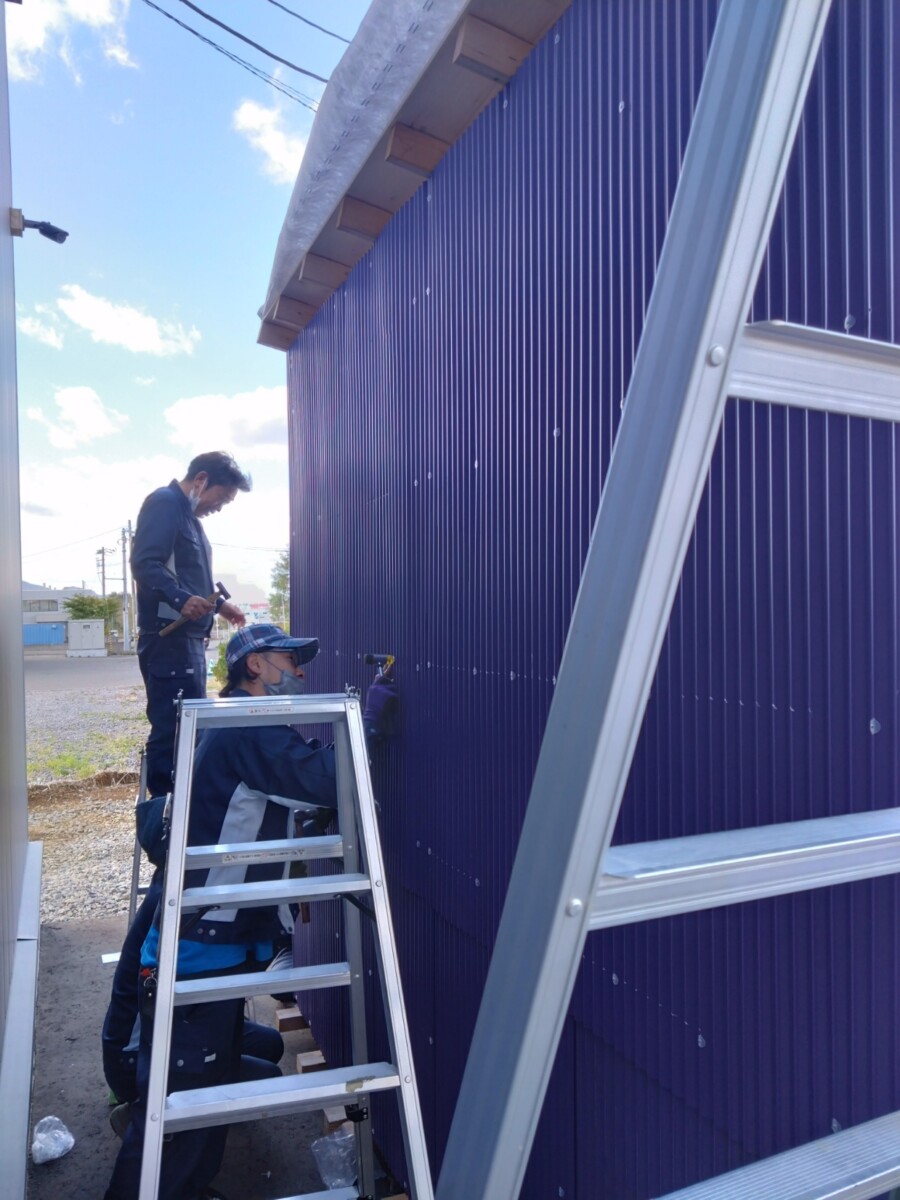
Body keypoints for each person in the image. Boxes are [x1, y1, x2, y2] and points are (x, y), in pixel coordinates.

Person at [104, 625, 397, 1200]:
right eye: (290, 659)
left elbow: (282, 787)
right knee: (184, 1103)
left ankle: (184, 1184)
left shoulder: (236, 721)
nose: (301, 672)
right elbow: (322, 779)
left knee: (225, 1072)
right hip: (203, 941)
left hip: (214, 934)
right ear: (255, 666)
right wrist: (368, 724)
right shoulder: (249, 726)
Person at [131, 451, 251, 798]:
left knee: (189, 727)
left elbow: (185, 577)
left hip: (188, 641)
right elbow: (144, 563)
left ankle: (186, 809)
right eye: (221, 498)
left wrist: (220, 606)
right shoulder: (165, 503)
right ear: (201, 480)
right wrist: (180, 598)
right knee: (173, 730)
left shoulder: (191, 519)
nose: (219, 507)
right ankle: (166, 815)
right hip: (167, 640)